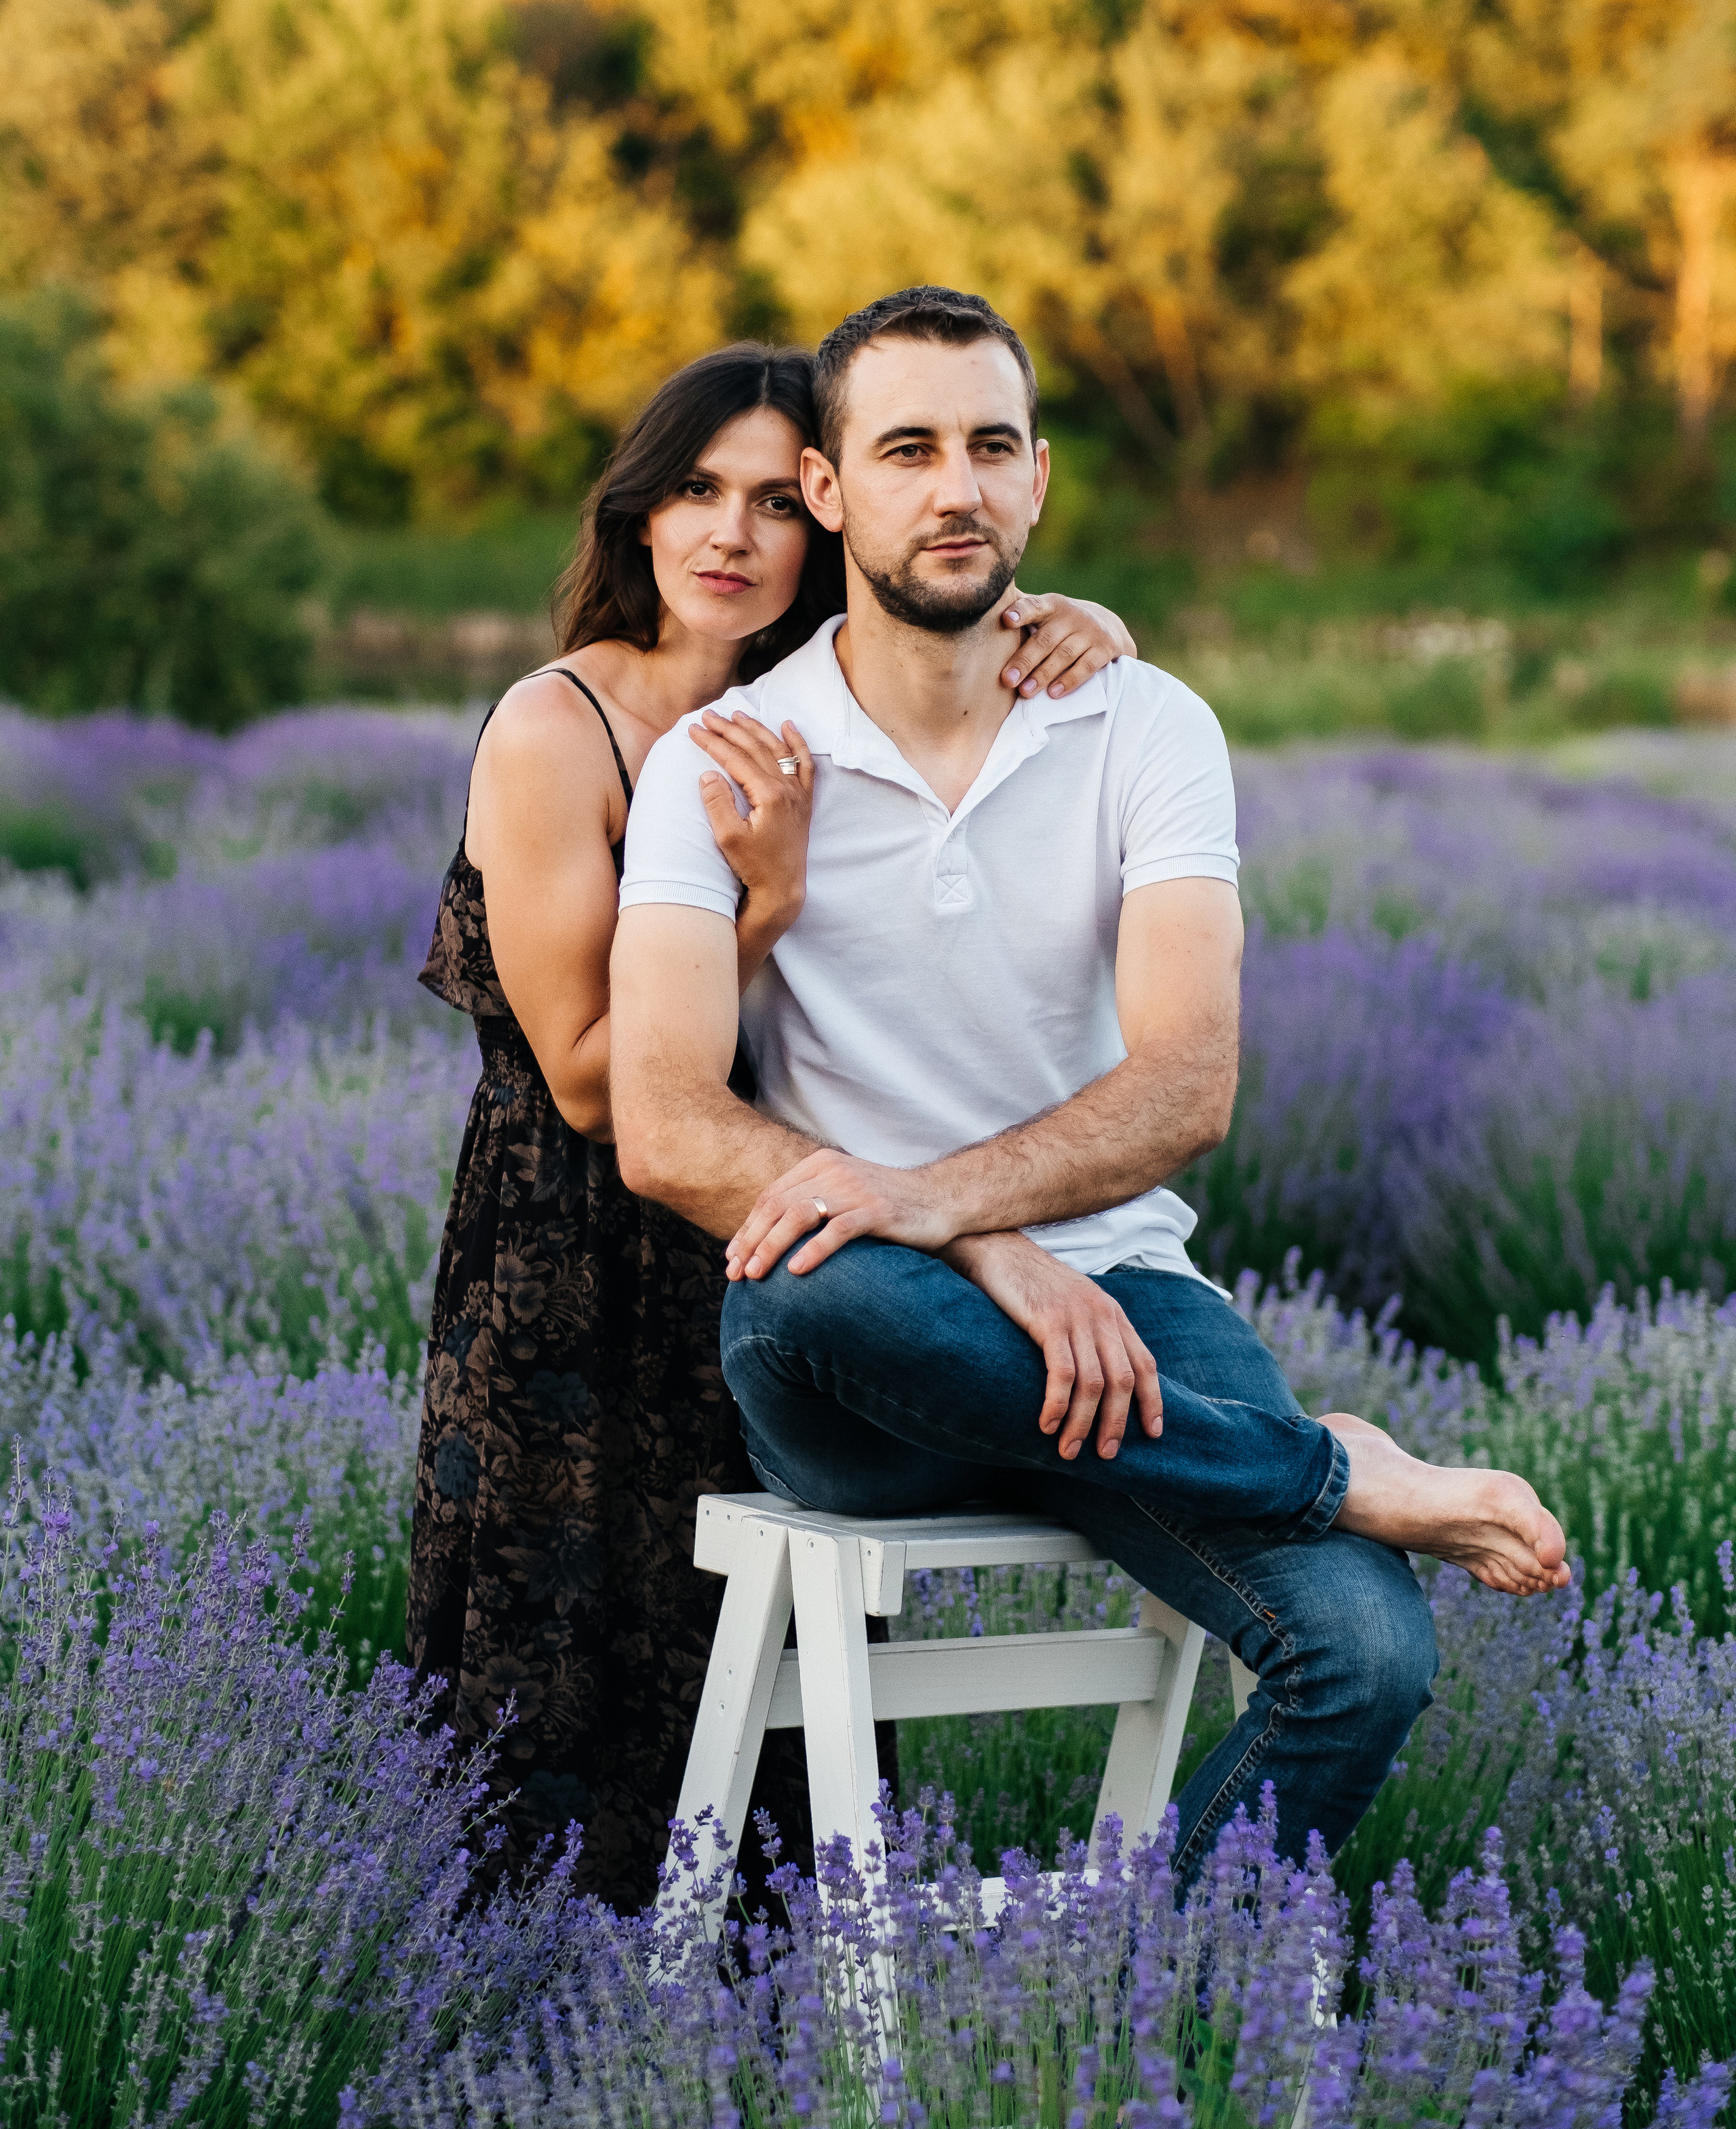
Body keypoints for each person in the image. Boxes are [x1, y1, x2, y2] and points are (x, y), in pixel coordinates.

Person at [609, 287, 1571, 1884]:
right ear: (833, 491)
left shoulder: (1147, 726)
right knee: (808, 1290)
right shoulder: (723, 759)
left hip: (1119, 1297)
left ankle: (1139, 2019)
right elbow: (662, 1123)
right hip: (867, 1354)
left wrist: (937, 1192)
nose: (955, 487)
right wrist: (968, 1240)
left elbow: (1185, 1083)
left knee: (1366, 1661)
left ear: (1038, 479)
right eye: (907, 449)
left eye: (990, 446)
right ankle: (1332, 1467)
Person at [406, 336, 1138, 1910]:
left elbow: (984, 603)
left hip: (783, 1237)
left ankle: (764, 2028)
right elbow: (598, 1084)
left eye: (765, 500)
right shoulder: (561, 733)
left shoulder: (818, 706)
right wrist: (770, 902)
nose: (728, 535)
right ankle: (522, 2036)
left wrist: (1086, 627)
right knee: (571, 1673)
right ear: (635, 517)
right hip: (578, 1274)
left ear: (820, 515)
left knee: (778, 1690)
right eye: (690, 490)